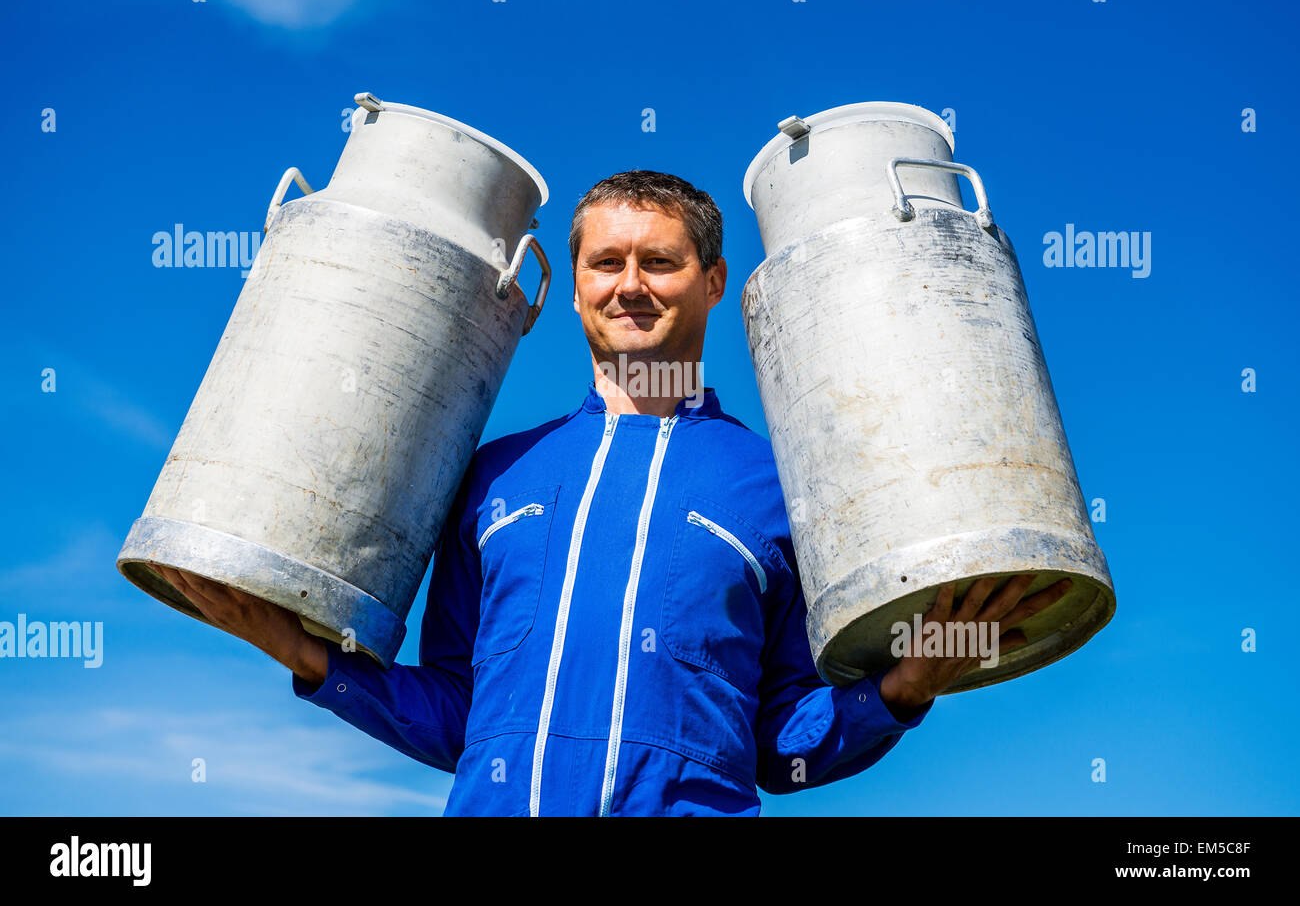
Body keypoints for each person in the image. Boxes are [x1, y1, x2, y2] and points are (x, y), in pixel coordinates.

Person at [149, 170, 1072, 815]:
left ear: (714, 283)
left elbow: (780, 741)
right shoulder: (493, 474)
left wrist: (903, 688)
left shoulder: (781, 487)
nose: (631, 284)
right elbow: (461, 715)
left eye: (660, 262)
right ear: (577, 286)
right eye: (606, 262)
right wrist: (308, 657)